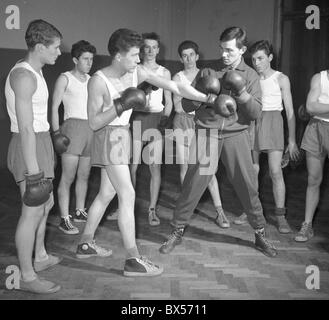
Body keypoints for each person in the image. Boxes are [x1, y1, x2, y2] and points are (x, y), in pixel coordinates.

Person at [75, 28, 212, 277]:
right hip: (107, 136)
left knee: (106, 194)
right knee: (127, 194)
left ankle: (85, 243)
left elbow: (173, 84)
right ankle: (132, 259)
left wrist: (206, 98)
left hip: (122, 134)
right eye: (135, 55)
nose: (139, 59)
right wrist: (120, 104)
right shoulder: (98, 80)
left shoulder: (135, 71)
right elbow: (94, 122)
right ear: (118, 55)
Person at [159, 27, 278, 258]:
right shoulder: (209, 71)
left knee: (247, 184)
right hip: (208, 133)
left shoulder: (251, 76)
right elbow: (187, 105)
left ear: (242, 50)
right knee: (193, 182)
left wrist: (241, 90)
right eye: (222, 49)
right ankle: (177, 230)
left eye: (230, 50)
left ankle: (260, 233)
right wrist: (204, 95)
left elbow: (255, 113)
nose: (224, 54)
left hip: (236, 135)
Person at [5, 19, 62, 293]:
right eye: (55, 47)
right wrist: (34, 172)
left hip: (41, 141)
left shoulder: (36, 72)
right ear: (40, 47)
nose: (59, 53)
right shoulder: (24, 76)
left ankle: (39, 256)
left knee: (46, 203)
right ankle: (27, 277)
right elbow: (26, 128)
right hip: (28, 145)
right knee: (31, 211)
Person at [233, 40, 300, 232]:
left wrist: (292, 140)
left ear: (270, 58)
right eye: (253, 59)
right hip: (254, 122)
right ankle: (250, 211)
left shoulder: (281, 78)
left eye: (261, 58)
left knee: (275, 171)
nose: (257, 63)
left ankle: (281, 216)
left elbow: (289, 111)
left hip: (273, 122)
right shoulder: (251, 78)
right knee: (252, 170)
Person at [172, 40, 229, 228]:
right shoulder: (177, 77)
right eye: (184, 55)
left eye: (191, 54)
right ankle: (186, 209)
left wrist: (198, 101)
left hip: (203, 124)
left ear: (197, 56)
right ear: (181, 58)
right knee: (185, 169)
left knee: (207, 170)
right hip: (182, 122)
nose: (188, 58)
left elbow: (215, 103)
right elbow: (179, 106)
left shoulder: (206, 75)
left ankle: (220, 211)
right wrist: (202, 100)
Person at [51, 40, 96, 234]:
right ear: (75, 59)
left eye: (91, 59)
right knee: (67, 177)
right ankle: (64, 218)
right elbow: (54, 108)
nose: (89, 63)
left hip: (90, 129)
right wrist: (56, 132)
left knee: (84, 175)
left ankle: (79, 211)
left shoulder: (93, 79)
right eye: (85, 59)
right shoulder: (65, 78)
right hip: (71, 128)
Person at [130, 32, 172, 226]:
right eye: (146, 47)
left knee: (155, 166)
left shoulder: (164, 72)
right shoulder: (134, 69)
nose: (150, 50)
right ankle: (126, 206)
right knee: (134, 165)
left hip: (157, 119)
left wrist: (164, 119)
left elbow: (169, 102)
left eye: (153, 47)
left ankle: (152, 209)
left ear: (158, 49)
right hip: (138, 117)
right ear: (142, 49)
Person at [295, 70, 329, 242]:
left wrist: (321, 106)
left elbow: (317, 106)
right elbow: (310, 107)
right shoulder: (319, 77)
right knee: (313, 179)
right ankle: (307, 225)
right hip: (316, 128)